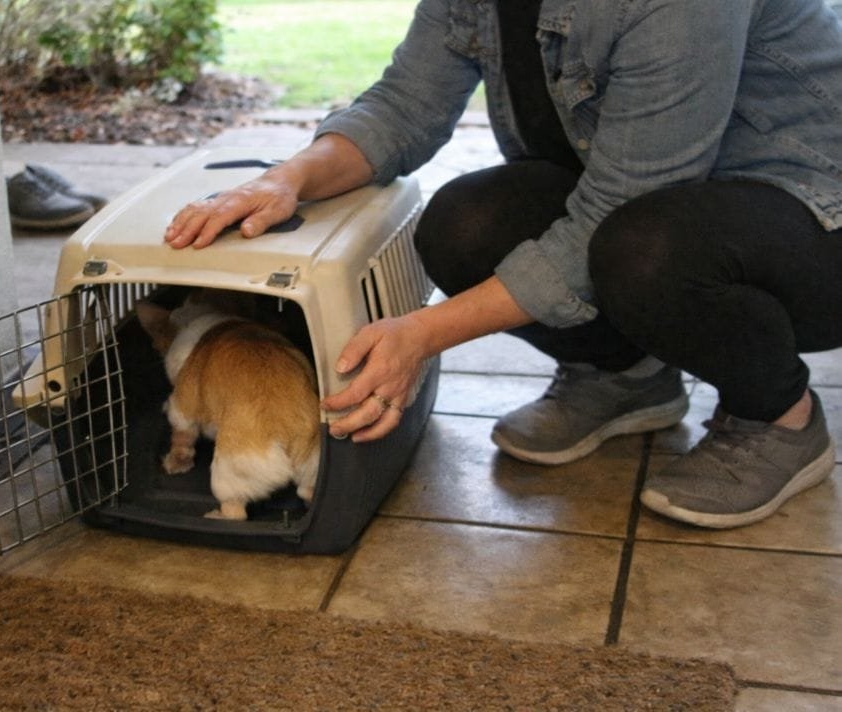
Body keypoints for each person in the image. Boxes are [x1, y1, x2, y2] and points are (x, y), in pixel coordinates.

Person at [163, 0, 842, 529]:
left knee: (645, 251)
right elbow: (404, 106)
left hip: (815, 219)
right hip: (656, 213)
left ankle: (778, 417)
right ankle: (625, 376)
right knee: (465, 223)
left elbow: (620, 207)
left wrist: (422, 334)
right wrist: (285, 179)